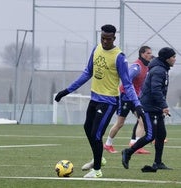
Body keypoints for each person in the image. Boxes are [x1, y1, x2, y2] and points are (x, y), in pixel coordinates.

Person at [55, 24, 144, 178]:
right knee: (87, 128)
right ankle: (99, 158)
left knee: (97, 134)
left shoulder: (119, 57)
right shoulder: (96, 49)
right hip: (94, 98)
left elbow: (127, 84)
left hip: (109, 102)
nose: (104, 41)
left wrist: (137, 105)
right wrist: (66, 91)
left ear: (114, 38)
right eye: (102, 38)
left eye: (108, 39)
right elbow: (87, 73)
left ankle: (97, 170)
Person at [121, 47, 176, 170]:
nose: (175, 59)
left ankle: (158, 163)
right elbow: (155, 89)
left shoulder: (162, 69)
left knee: (161, 135)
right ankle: (128, 152)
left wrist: (161, 106)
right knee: (150, 135)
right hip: (148, 108)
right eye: (173, 57)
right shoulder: (158, 71)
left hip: (156, 107)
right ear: (167, 59)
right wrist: (164, 106)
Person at [104, 46, 153, 154]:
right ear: (142, 54)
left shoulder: (147, 67)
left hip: (135, 99)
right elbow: (127, 81)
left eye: (151, 53)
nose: (151, 55)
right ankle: (108, 144)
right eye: (148, 53)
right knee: (120, 123)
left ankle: (136, 145)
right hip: (125, 97)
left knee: (142, 120)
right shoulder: (136, 67)